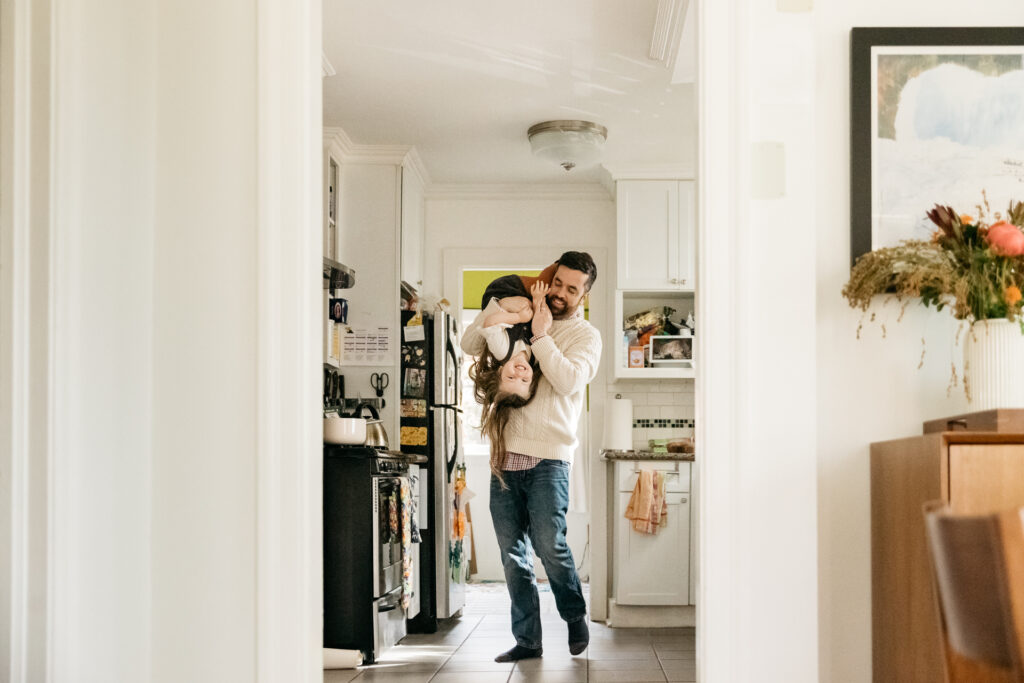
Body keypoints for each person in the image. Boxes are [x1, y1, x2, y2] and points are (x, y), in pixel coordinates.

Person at [460, 251, 602, 663]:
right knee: (512, 555)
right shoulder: (523, 310)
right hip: (504, 457)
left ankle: (574, 614)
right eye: (557, 283)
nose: (560, 294)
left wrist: (541, 336)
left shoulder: (584, 337)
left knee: (549, 545)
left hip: (548, 459)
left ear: (584, 294)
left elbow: (569, 379)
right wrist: (500, 308)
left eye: (571, 289)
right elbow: (471, 343)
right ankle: (528, 641)